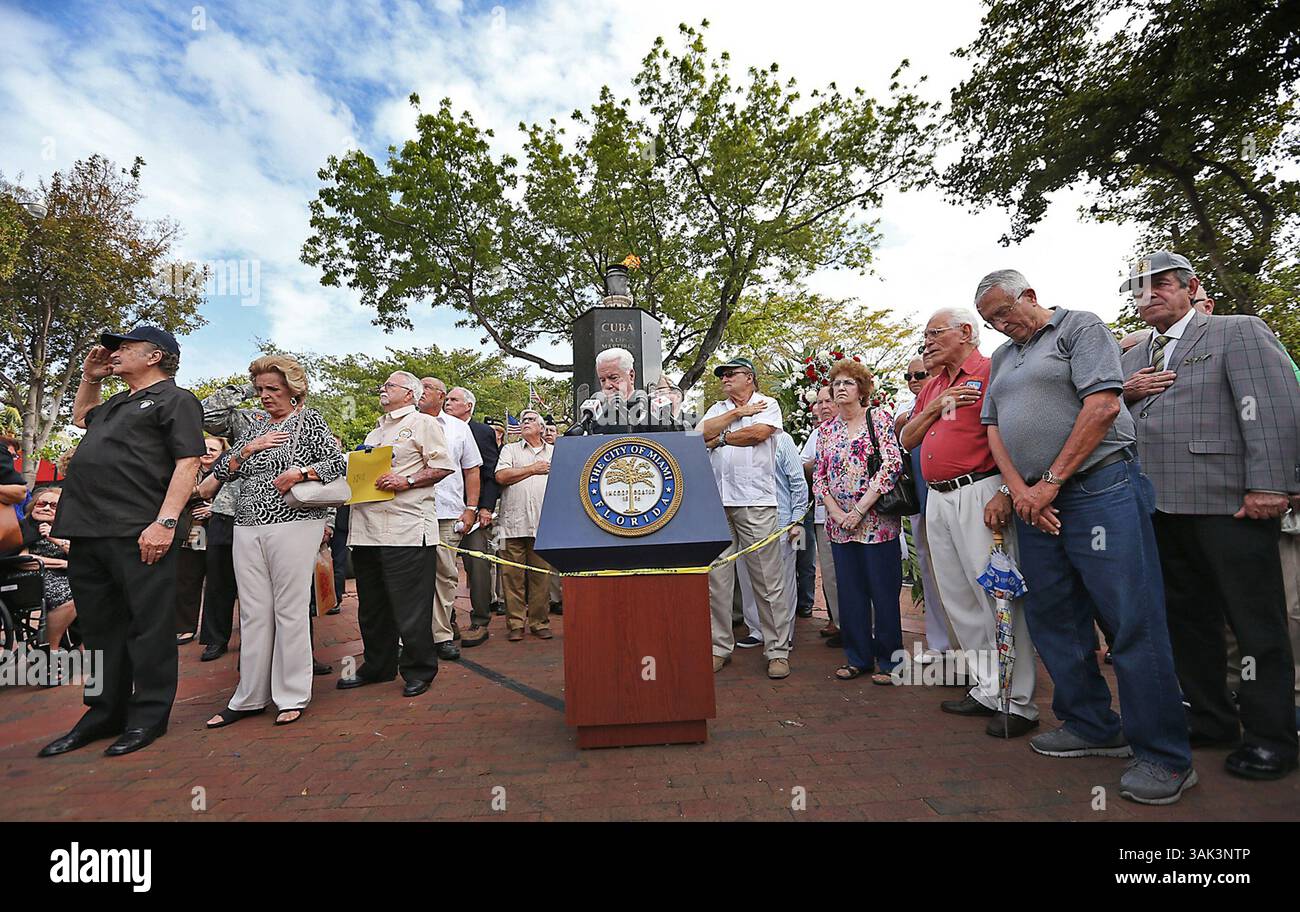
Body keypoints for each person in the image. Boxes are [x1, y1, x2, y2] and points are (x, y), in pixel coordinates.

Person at [976, 269, 1195, 805]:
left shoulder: (1081, 327)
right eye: (990, 322)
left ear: (1030, 295)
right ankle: (1092, 725)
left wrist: (1048, 483)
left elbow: (1102, 406)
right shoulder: (1004, 358)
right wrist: (1021, 491)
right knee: (1055, 614)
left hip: (1101, 488)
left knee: (1130, 619)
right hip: (1037, 502)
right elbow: (993, 428)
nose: (1001, 326)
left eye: (1005, 312)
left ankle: (1165, 756)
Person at [1119, 251, 1300, 781]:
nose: (1148, 296)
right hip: (1159, 510)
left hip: (1230, 504)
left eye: (1160, 286)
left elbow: (1273, 408)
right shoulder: (1132, 358)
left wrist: (1273, 485)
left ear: (1190, 287)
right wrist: (1126, 394)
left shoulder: (1236, 331)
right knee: (1188, 621)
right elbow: (1110, 417)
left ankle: (1272, 736)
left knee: (1255, 621)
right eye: (1140, 289)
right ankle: (1213, 718)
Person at [39, 326, 205, 758]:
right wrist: (90, 378)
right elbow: (80, 419)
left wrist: (165, 523)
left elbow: (188, 463)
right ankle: (102, 712)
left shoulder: (177, 400)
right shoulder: (115, 402)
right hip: (88, 529)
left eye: (124, 347)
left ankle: (148, 715)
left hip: (139, 529)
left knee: (148, 627)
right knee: (97, 629)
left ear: (155, 356)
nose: (113, 353)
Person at [902, 308, 1039, 736]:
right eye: (924, 334)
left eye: (934, 332)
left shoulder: (994, 368)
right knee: (957, 597)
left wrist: (1004, 490)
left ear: (966, 332)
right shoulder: (936, 384)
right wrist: (936, 407)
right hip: (939, 499)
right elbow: (907, 437)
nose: (927, 340)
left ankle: (1017, 701)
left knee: (996, 596)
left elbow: (1018, 432)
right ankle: (986, 687)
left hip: (981, 492)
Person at [204, 354, 346, 729]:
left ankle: (292, 694)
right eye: (260, 389)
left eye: (273, 389)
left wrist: (300, 472)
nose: (264, 395)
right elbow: (221, 471)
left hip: (296, 521)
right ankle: (248, 696)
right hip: (246, 522)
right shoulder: (252, 425)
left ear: (292, 390)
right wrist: (249, 449)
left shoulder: (309, 420)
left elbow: (339, 463)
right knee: (252, 611)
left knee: (290, 608)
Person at [338, 371, 454, 697]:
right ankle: (377, 666)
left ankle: (419, 670)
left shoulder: (424, 423)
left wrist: (408, 481)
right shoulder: (375, 431)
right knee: (372, 606)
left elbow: (443, 466)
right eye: (383, 385)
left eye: (390, 385)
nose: (382, 389)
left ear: (410, 393)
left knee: (410, 606)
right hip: (366, 531)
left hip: (405, 528)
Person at [699, 357, 792, 679]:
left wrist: (722, 438)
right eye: (722, 375)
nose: (725, 378)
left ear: (749, 377)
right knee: (717, 581)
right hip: (717, 505)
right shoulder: (717, 408)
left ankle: (777, 650)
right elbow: (701, 433)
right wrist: (736, 415)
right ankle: (718, 648)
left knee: (767, 580)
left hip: (756, 502)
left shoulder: (768, 403)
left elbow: (758, 434)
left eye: (731, 374)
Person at [813, 358, 904, 686]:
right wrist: (837, 514)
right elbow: (819, 478)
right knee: (849, 593)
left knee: (883, 592)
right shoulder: (825, 430)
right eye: (836, 383)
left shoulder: (877, 418)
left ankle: (890, 661)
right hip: (839, 525)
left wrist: (860, 510)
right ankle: (857, 658)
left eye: (847, 383)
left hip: (876, 522)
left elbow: (891, 465)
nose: (840, 388)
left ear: (862, 389)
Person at [895, 356, 958, 667]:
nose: (913, 380)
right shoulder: (907, 411)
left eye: (920, 374)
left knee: (961, 575)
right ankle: (938, 640)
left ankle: (969, 649)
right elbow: (901, 434)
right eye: (908, 376)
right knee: (930, 573)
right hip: (921, 503)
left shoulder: (953, 400)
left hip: (957, 497)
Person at [418, 376, 483, 660]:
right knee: (411, 576)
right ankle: (411, 638)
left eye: (427, 387)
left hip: (447, 512)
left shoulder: (458, 429)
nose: (420, 391)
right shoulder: (405, 425)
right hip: (409, 513)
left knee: (445, 576)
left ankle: (442, 635)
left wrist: (471, 507)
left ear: (441, 396)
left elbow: (471, 470)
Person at [444, 387, 501, 647]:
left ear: (468, 406)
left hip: (474, 510)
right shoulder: (433, 426)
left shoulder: (481, 432)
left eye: (454, 399)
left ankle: (480, 620)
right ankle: (448, 621)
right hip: (442, 509)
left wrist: (484, 507)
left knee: (477, 564)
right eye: (447, 399)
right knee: (442, 569)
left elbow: (490, 473)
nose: (448, 403)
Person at [495, 409, 556, 641]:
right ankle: (515, 624)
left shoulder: (554, 452)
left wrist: (519, 473)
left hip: (544, 523)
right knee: (512, 576)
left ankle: (539, 622)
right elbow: (501, 476)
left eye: (531, 420)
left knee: (541, 576)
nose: (525, 423)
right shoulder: (510, 449)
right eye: (523, 420)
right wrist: (533, 469)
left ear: (542, 428)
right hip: (512, 523)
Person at [14, 487, 77, 655]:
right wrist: (63, 564)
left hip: (63, 574)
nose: (46, 508)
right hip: (31, 577)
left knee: (100, 593)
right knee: (69, 594)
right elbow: (24, 561)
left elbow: (80, 556)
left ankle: (84, 648)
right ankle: (51, 648)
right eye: (41, 503)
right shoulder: (23, 528)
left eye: (53, 505)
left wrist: (54, 538)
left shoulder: (68, 529)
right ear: (33, 506)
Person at [801, 385, 842, 643]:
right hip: (823, 514)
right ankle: (839, 622)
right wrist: (822, 465)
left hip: (861, 515)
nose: (824, 406)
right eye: (819, 402)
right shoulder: (817, 433)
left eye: (829, 401)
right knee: (830, 573)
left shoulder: (861, 424)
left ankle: (863, 626)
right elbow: (803, 464)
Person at [174, 436, 224, 645]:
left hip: (221, 532)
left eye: (213, 449)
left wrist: (214, 508)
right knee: (188, 579)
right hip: (193, 532)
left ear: (222, 453)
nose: (208, 452)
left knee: (219, 584)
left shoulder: (228, 472)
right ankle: (185, 627)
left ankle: (216, 634)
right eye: (204, 448)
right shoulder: (185, 470)